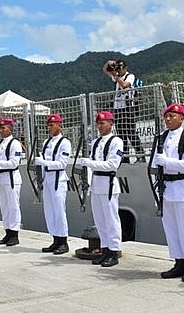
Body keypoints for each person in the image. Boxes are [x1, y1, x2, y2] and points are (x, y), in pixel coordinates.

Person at [151, 103, 184, 282]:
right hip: (166, 189)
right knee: (171, 228)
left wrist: (167, 162)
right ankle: (178, 262)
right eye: (167, 116)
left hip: (183, 187)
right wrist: (156, 191)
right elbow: (153, 167)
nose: (168, 119)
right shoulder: (161, 138)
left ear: (181, 118)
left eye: (173, 115)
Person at [79, 111, 123, 267]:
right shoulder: (96, 142)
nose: (99, 126)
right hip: (96, 184)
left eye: (103, 123)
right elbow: (93, 164)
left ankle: (114, 250)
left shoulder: (116, 141)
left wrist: (90, 163)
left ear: (111, 123)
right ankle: (105, 249)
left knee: (111, 220)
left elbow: (112, 164)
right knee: (100, 220)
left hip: (108, 183)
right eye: (98, 123)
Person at [35, 113, 72, 255]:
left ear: (59, 125)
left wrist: (44, 163)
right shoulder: (46, 143)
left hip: (58, 179)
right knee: (49, 211)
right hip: (48, 179)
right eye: (48, 125)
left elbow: (62, 163)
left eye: (52, 125)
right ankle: (55, 239)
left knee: (59, 211)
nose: (49, 128)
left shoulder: (65, 143)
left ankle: (63, 241)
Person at [0, 118, 23, 247]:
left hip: (11, 178)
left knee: (13, 206)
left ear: (10, 128)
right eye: (0, 128)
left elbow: (14, 163)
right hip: (1, 178)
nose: (1, 130)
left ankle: (14, 234)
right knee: (4, 207)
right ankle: (7, 231)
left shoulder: (15, 144)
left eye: (4, 128)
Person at [103, 59, 144, 163]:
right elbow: (105, 70)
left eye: (120, 68)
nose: (118, 70)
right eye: (117, 68)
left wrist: (117, 76)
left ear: (125, 68)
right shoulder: (117, 78)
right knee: (121, 136)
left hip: (128, 108)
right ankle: (124, 157)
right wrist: (109, 64)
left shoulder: (130, 76)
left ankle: (141, 156)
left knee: (131, 133)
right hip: (118, 109)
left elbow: (125, 85)